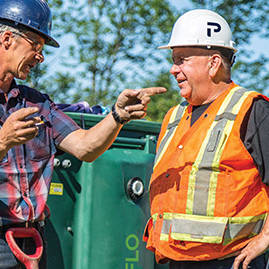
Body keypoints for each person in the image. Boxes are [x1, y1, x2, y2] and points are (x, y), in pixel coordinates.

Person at [0, 0, 166, 268]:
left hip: (33, 242)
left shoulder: (37, 104)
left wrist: (117, 116)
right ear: (8, 38)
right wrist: (3, 141)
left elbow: (86, 148)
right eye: (36, 45)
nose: (40, 57)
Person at [143, 9, 269, 269]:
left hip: (230, 262)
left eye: (181, 60)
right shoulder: (174, 117)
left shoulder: (252, 109)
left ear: (213, 63)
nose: (172, 69)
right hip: (174, 260)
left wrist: (266, 237)